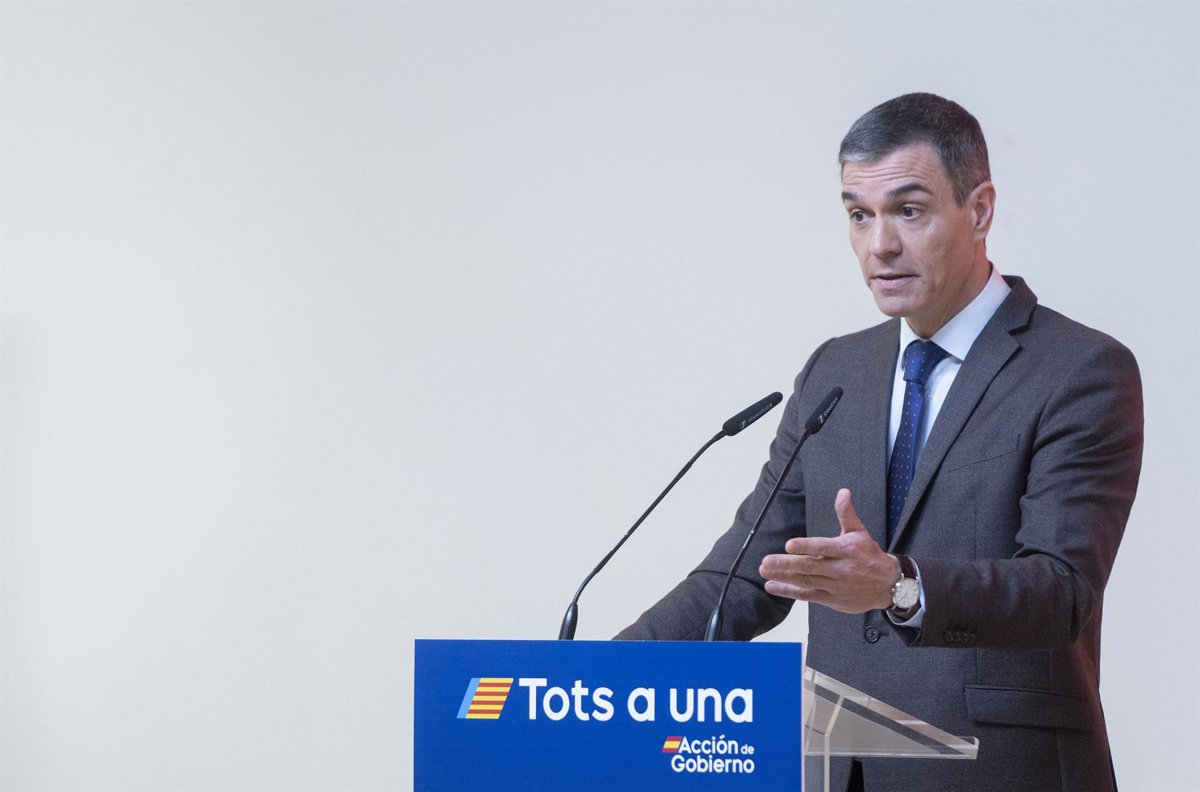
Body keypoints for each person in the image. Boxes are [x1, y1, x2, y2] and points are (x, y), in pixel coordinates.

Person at [616, 93, 1143, 792]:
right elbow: (745, 575)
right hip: (840, 771)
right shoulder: (836, 371)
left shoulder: (1079, 369)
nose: (879, 245)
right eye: (859, 215)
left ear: (980, 210)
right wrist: (592, 681)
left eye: (909, 211)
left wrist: (899, 585)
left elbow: (1061, 590)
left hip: (1002, 771)